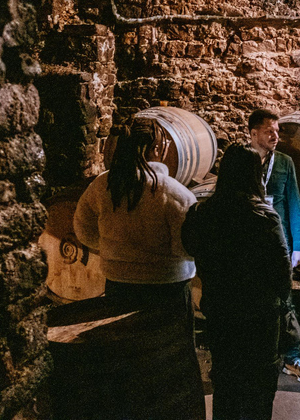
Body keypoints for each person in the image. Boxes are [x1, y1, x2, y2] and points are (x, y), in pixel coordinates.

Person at [73, 116, 205, 420]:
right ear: (155, 146)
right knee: (167, 368)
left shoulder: (103, 184)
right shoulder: (174, 193)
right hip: (166, 292)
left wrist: (108, 249)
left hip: (118, 286)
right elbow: (184, 248)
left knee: (125, 365)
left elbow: (82, 228)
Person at [181, 143, 292, 420]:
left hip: (220, 309)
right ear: (254, 174)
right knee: (259, 386)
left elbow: (190, 247)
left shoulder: (203, 213)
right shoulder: (264, 216)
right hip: (260, 315)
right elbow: (282, 271)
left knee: (226, 382)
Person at [247, 108, 300, 385]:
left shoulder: (285, 162)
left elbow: (295, 204)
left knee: (285, 301)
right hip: (249, 244)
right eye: (269, 131)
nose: (276, 136)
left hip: (279, 244)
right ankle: (255, 356)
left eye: (277, 131)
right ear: (253, 134)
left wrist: (298, 245)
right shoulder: (241, 160)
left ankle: (292, 358)